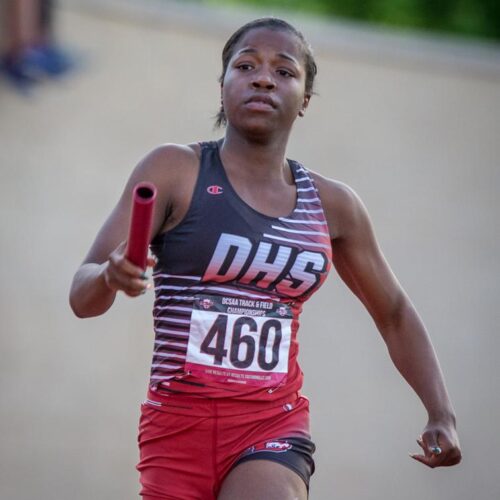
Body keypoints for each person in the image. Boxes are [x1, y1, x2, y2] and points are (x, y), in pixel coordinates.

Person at [69, 17, 462, 500]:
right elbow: (82, 297)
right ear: (222, 88)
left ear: (305, 101)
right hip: (176, 426)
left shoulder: (333, 206)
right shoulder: (174, 170)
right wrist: (110, 275)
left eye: (284, 71)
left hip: (271, 424)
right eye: (246, 65)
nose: (262, 78)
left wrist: (440, 412)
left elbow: (395, 313)